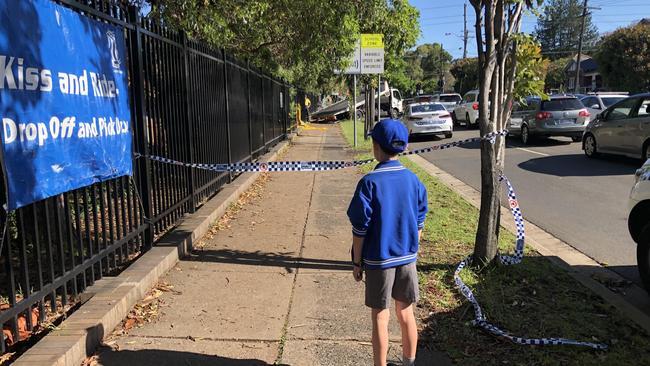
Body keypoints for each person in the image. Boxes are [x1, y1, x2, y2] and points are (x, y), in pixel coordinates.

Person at [347, 119, 428, 366]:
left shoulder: (369, 183)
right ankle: (409, 362)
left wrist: (357, 262)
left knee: (380, 318)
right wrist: (413, 250)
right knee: (406, 314)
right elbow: (419, 222)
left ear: (376, 146)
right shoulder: (414, 180)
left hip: (378, 260)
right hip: (407, 258)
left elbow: (359, 228)